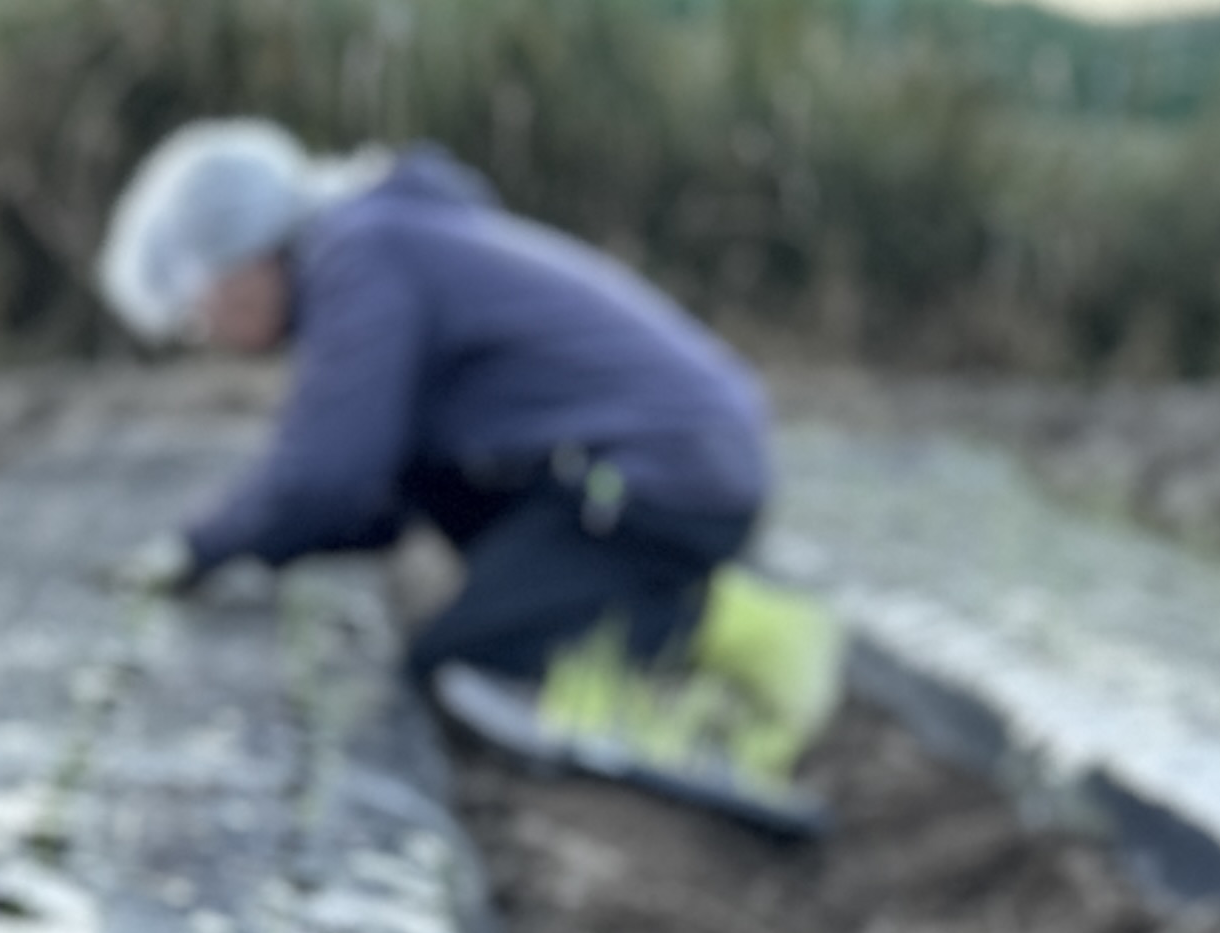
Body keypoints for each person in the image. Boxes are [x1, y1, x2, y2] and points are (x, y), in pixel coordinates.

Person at [94, 121, 780, 701]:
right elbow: (373, 492)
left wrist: (200, 546)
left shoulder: (360, 255)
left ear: (242, 265)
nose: (206, 333)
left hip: (663, 477)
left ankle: (705, 627)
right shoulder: (377, 242)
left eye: (198, 312)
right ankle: (641, 598)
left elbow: (322, 474)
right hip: (640, 468)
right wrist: (247, 542)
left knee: (458, 662)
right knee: (431, 484)